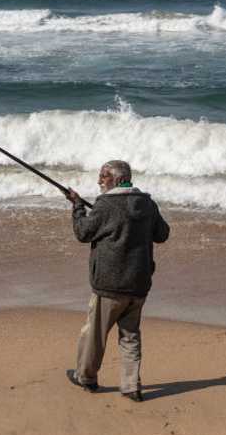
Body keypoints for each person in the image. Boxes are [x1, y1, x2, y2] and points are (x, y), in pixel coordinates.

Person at [65, 160, 169, 402]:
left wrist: (78, 207)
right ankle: (131, 386)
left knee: (94, 335)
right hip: (138, 283)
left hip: (109, 286)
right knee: (130, 335)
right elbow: (162, 234)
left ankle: (86, 378)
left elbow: (83, 232)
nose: (100, 180)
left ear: (118, 179)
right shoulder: (147, 204)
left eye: (103, 176)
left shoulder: (105, 204)